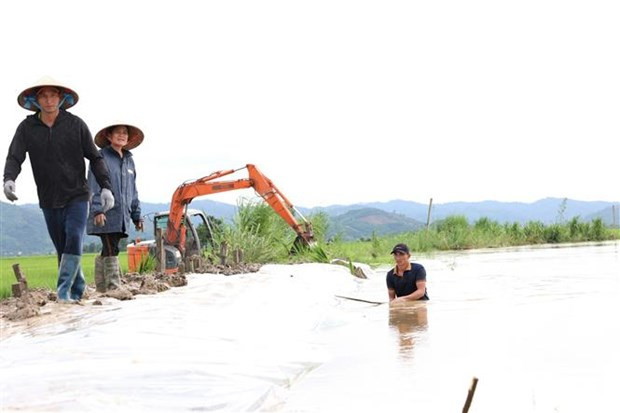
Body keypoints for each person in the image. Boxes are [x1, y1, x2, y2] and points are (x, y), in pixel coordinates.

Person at [3, 76, 114, 303]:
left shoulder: (76, 124)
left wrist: (106, 187)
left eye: (53, 94)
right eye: (43, 95)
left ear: (61, 98)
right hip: (48, 198)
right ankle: (78, 290)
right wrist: (8, 179)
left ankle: (64, 294)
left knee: (74, 236)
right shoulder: (27, 128)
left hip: (77, 195)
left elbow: (95, 157)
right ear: (36, 100)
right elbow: (15, 155)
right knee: (63, 248)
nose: (49, 100)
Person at [87, 123, 144, 293]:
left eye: (125, 133)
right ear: (109, 137)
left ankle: (102, 288)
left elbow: (133, 190)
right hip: (106, 212)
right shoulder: (100, 157)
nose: (122, 135)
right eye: (117, 132)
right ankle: (113, 287)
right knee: (111, 247)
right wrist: (97, 209)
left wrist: (137, 215)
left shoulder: (129, 161)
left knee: (111, 247)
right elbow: (93, 184)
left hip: (122, 214)